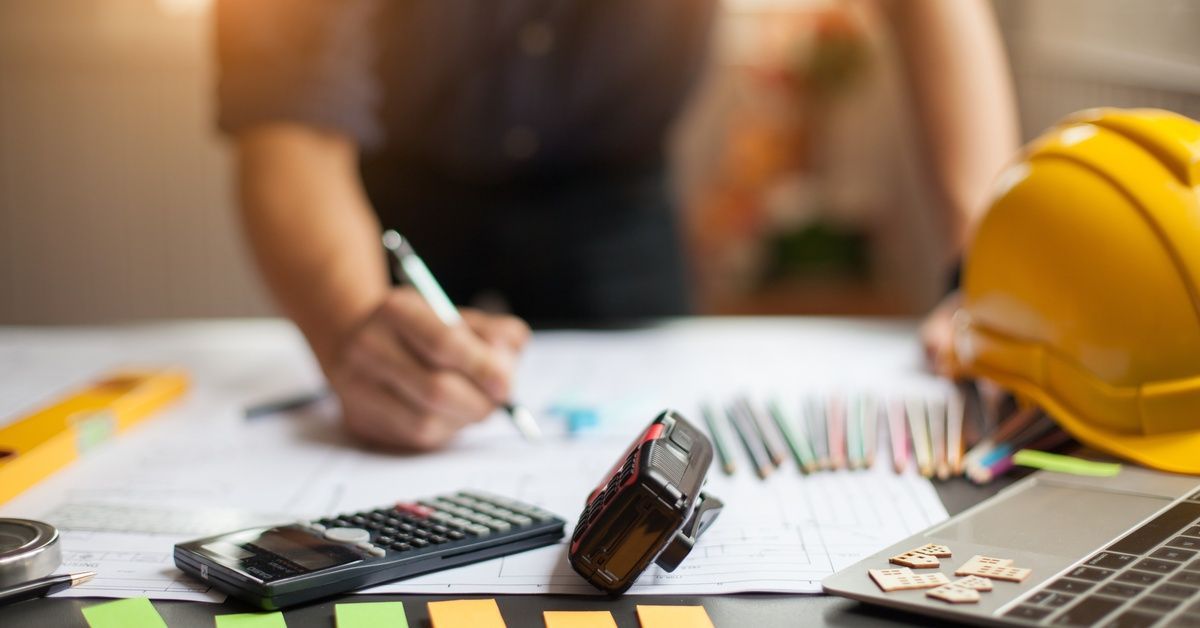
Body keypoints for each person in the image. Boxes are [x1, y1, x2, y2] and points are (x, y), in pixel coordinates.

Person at [216, 0, 1017, 450]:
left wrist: (982, 275)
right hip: (388, 196)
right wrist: (351, 327)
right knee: (389, 433)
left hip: (614, 195)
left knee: (646, 456)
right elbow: (288, 130)